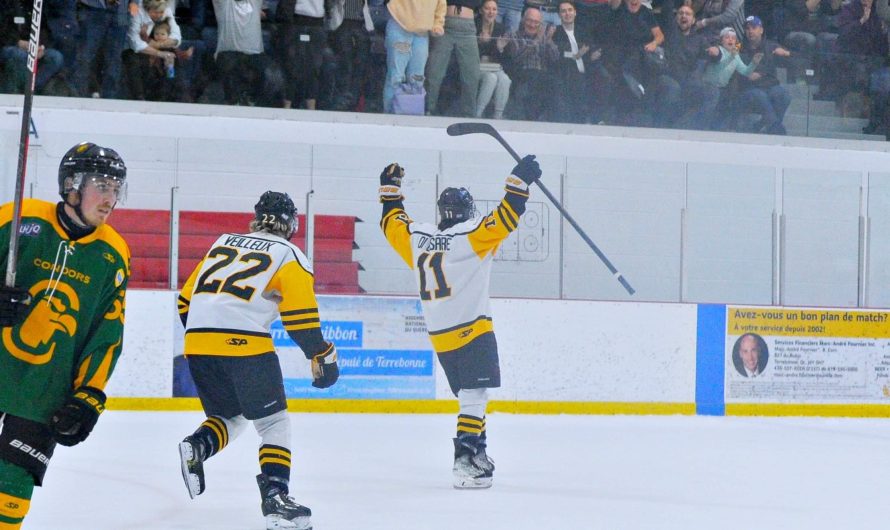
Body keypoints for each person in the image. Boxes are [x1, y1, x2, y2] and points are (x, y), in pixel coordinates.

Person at [176, 191, 339, 530]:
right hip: (245, 342)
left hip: (197, 340)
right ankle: (277, 498)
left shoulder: (222, 243)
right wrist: (321, 354)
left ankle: (198, 445)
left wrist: (208, 338)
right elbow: (300, 317)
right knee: (274, 423)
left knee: (231, 416)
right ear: (291, 222)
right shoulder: (290, 253)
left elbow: (184, 300)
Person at [378, 154, 542, 489]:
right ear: (466, 212)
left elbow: (391, 222)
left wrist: (390, 189)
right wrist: (520, 180)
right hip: (472, 327)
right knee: (475, 394)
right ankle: (466, 460)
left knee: (471, 393)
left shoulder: (417, 239)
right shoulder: (472, 235)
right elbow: (505, 217)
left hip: (440, 335)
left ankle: (478, 453)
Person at [0, 142, 130, 529]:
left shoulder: (114, 254)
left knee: (11, 491)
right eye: (102, 186)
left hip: (43, 390)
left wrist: (89, 396)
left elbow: (106, 334)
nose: (111, 199)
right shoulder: (19, 218)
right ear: (72, 185)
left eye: (116, 188)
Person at [474, 0, 511, 118]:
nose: (491, 12)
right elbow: (469, 51)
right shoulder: (474, 25)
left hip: (494, 66)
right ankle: (478, 113)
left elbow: (505, 58)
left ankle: (498, 115)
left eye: (494, 9)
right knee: (491, 78)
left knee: (505, 80)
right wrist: (479, 42)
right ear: (481, 10)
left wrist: (499, 48)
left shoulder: (501, 28)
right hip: (476, 65)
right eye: (487, 9)